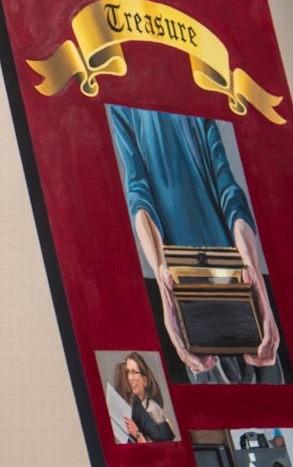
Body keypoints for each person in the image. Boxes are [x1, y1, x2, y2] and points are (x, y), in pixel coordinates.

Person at [109, 106, 283, 384]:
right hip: (200, 293)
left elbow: (139, 193)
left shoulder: (173, 98)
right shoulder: (175, 97)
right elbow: (229, 191)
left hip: (221, 291)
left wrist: (262, 298)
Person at [112, 352, 176, 443]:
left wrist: (137, 434)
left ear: (145, 380)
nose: (130, 378)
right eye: (127, 372)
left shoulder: (152, 408)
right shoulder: (130, 407)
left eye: (134, 372)